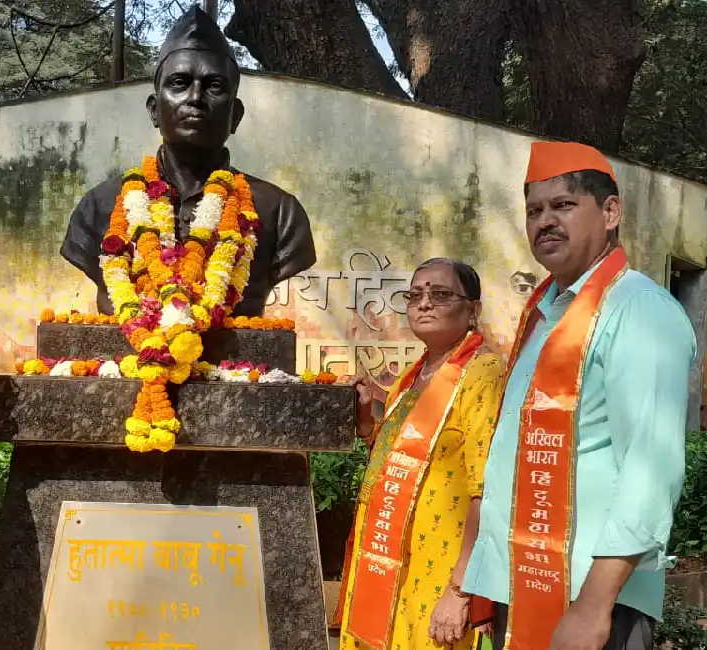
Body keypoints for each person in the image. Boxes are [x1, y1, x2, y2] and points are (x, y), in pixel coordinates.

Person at [461, 141, 697, 650]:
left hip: (590, 601)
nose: (545, 221)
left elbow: (650, 469)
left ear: (610, 212)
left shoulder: (638, 310)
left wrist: (593, 606)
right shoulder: (544, 317)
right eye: (534, 211)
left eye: (563, 205)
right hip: (521, 588)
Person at [59, 6, 316, 317]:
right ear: (154, 110)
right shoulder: (98, 207)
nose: (196, 97)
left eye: (214, 86)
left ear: (235, 115)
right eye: (180, 83)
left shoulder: (279, 214)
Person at [335, 258, 506, 650]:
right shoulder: (414, 377)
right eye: (415, 295)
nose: (424, 303)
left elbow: (487, 486)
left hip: (439, 568)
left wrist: (461, 591)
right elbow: (395, 459)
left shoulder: (483, 373)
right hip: (389, 559)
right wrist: (365, 420)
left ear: (473, 311)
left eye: (441, 294)